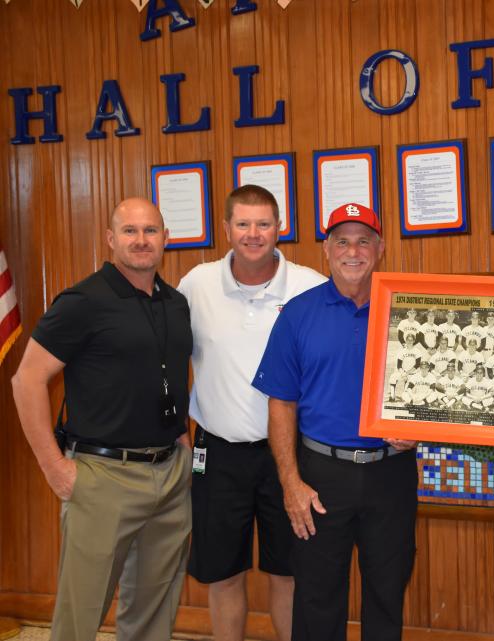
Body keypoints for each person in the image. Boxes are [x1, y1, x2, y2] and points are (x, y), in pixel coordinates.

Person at [11, 198, 192, 641]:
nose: (141, 240)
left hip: (169, 474)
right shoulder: (82, 301)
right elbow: (26, 380)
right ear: (110, 239)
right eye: (129, 231)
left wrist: (182, 440)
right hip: (102, 477)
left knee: (154, 612)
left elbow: (169, 374)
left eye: (151, 231)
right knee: (80, 614)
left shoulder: (175, 303)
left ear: (166, 239)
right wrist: (55, 468)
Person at [252, 202, 417, 641]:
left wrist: (416, 431)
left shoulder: (408, 308)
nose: (353, 251)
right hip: (321, 475)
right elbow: (280, 404)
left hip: (391, 471)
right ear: (327, 249)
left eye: (364, 240)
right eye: (342, 240)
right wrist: (291, 483)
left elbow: (436, 391)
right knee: (317, 599)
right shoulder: (299, 314)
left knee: (387, 590)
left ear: (380, 248)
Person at [177, 185, 326, 641]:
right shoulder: (195, 285)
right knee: (223, 574)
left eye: (263, 224)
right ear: (226, 228)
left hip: (290, 459)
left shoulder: (310, 286)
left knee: (288, 572)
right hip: (217, 455)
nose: (253, 234)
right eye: (243, 224)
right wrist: (175, 432)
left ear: (280, 228)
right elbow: (165, 361)